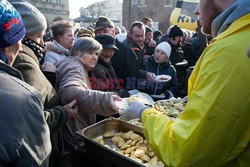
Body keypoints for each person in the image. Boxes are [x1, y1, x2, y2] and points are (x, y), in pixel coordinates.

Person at [123, 0, 250, 166]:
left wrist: (144, 113)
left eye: (199, 1)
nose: (196, 11)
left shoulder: (228, 51)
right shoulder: (237, 40)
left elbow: (184, 152)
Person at [9, 1, 78, 166]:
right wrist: (62, 113)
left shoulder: (29, 57)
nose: (42, 43)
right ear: (21, 36)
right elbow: (32, 118)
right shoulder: (23, 60)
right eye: (39, 36)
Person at [0, 0, 51, 165]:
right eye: (19, 38)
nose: (21, 47)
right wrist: (62, 112)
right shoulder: (24, 97)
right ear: (7, 45)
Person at [55, 37, 120, 151]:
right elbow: (69, 91)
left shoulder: (77, 65)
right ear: (76, 52)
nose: (95, 57)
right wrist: (105, 99)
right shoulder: (74, 67)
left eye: (96, 53)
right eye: (90, 53)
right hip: (73, 138)